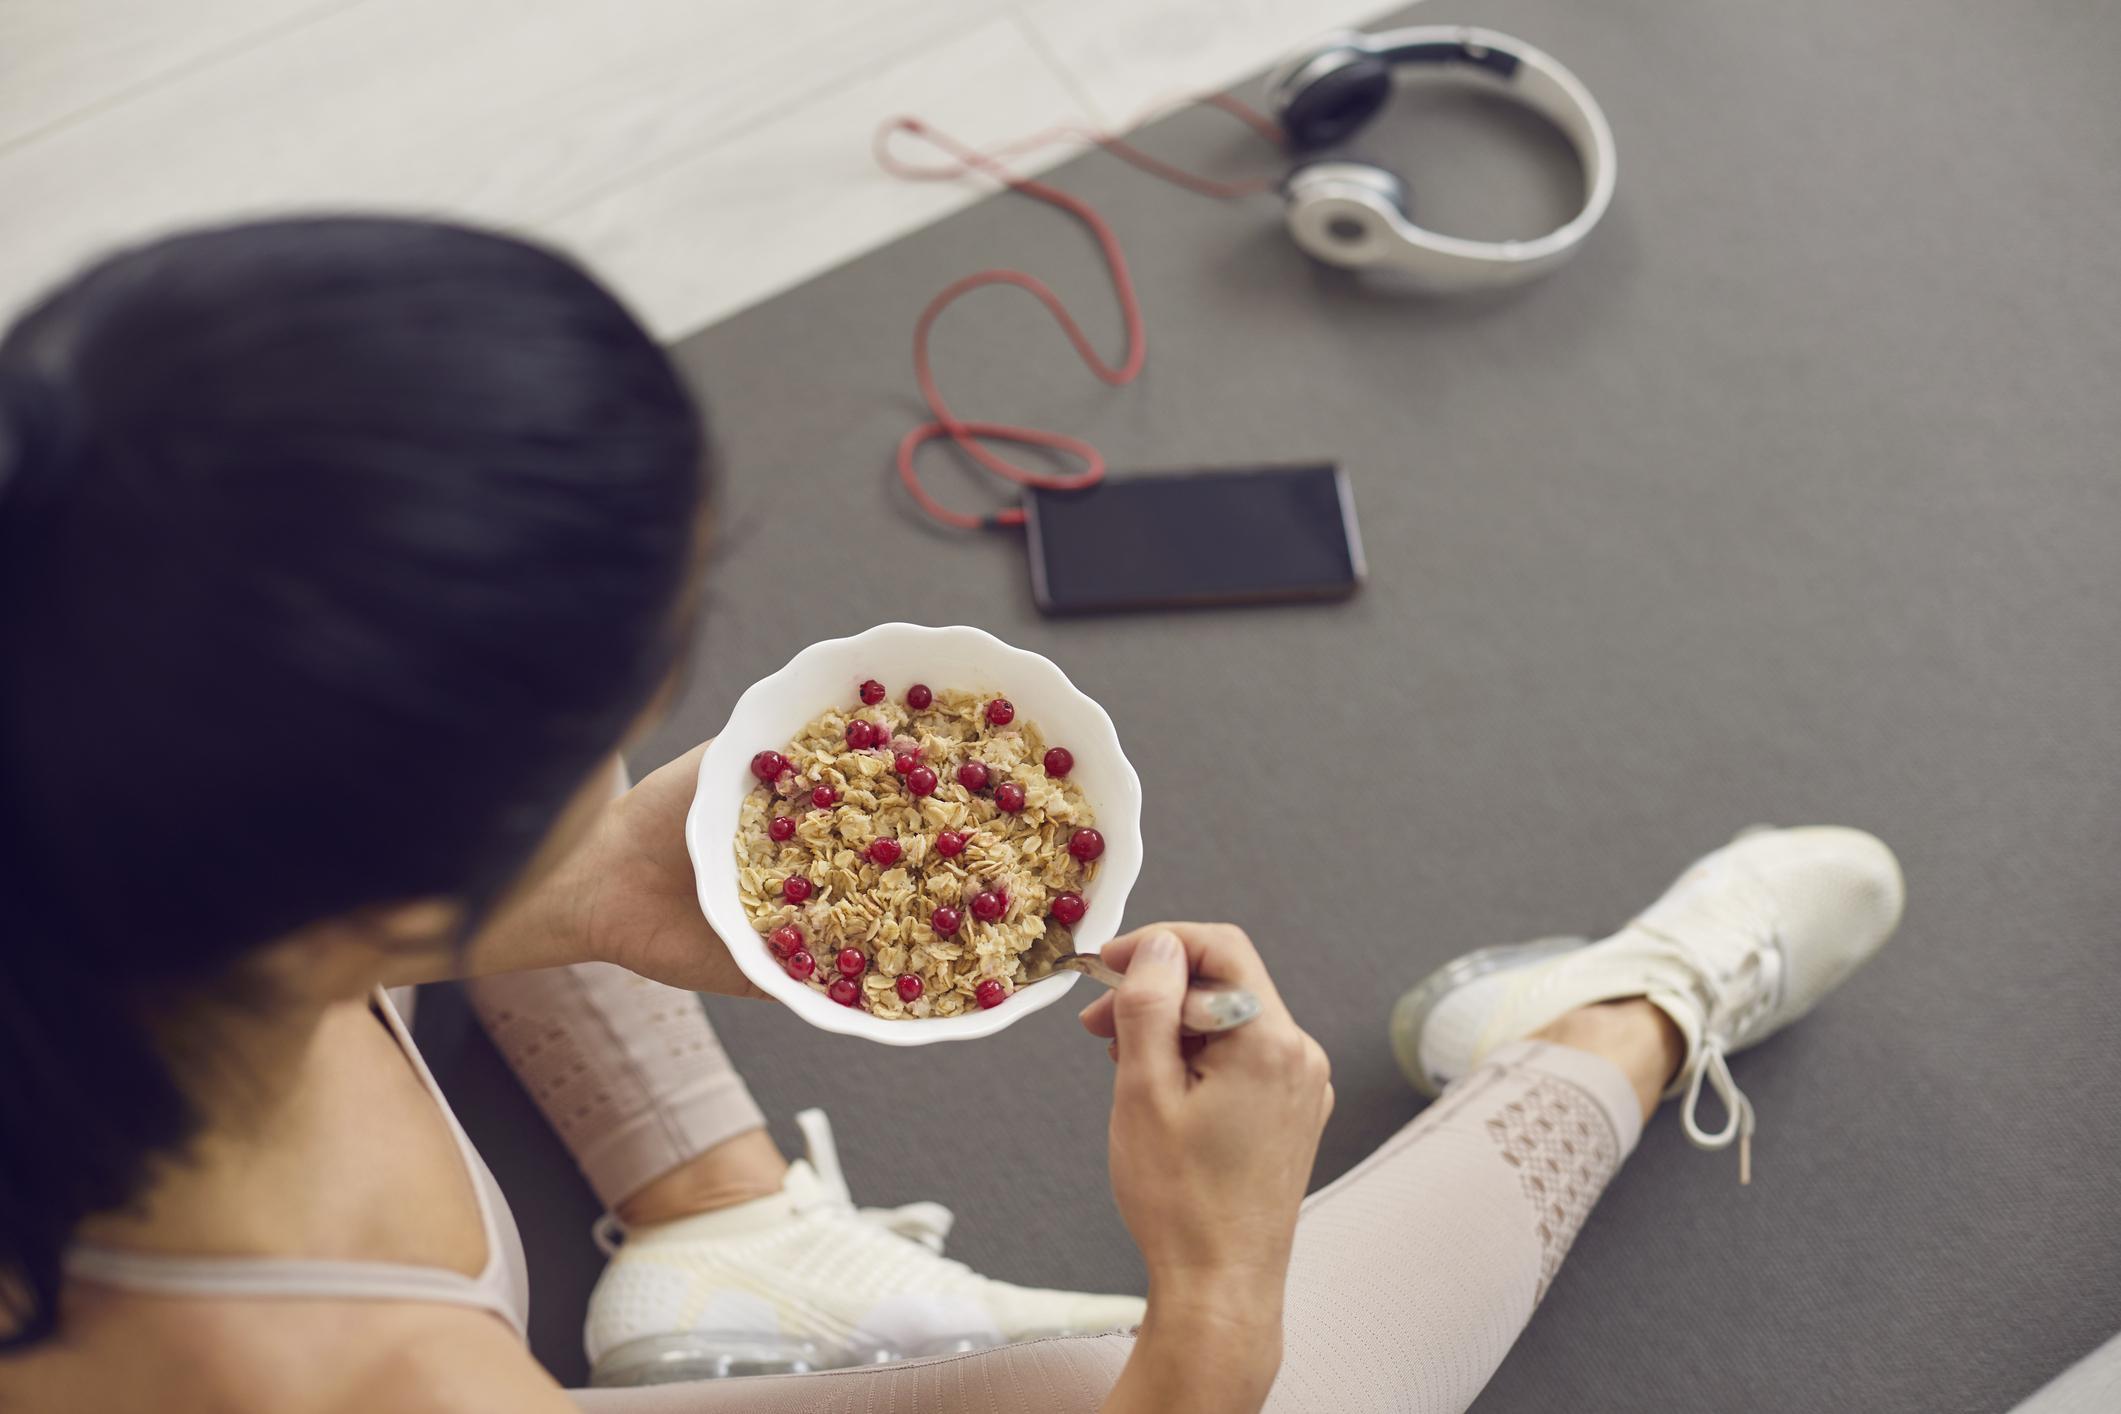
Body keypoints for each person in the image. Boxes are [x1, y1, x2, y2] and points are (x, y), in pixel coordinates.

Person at [0, 218, 1908, 1414]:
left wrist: (565, 897)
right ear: (353, 913)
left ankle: (713, 1221)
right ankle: (1625, 1016)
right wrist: (1218, 1284)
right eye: (611, 724)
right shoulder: (363, 1381)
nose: (642, 759)